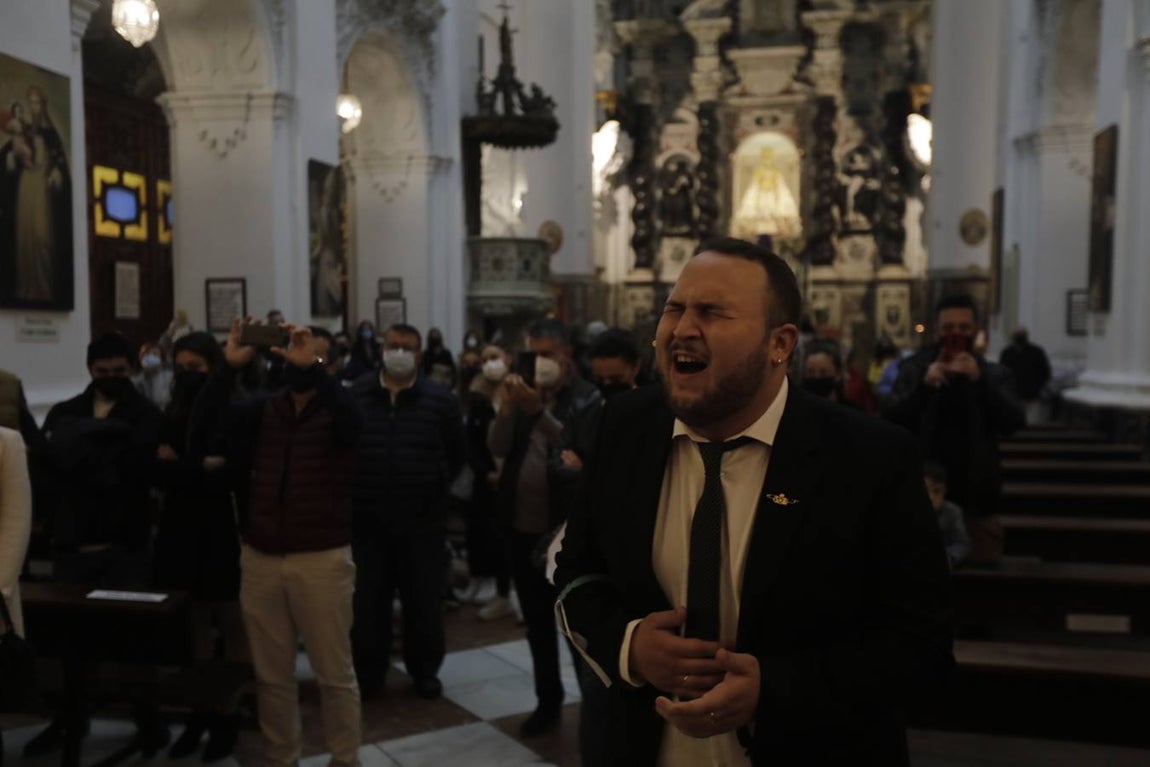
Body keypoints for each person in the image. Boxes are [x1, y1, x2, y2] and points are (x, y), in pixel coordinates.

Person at [554, 237, 952, 766]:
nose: (683, 328)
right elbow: (577, 574)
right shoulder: (624, 426)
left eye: (712, 312)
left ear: (779, 343)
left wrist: (774, 688)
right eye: (675, 308)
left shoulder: (869, 458)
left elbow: (921, 650)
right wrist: (629, 646)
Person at [200, 319, 361, 767]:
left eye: (310, 353)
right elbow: (207, 423)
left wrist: (318, 368)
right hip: (262, 557)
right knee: (272, 677)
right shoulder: (262, 410)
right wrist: (227, 367)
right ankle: (281, 759)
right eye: (292, 350)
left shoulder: (339, 409)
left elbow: (351, 422)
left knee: (334, 674)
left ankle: (345, 760)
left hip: (321, 559)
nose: (299, 358)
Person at [26, 332, 166, 758]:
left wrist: (84, 444)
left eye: (119, 373)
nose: (110, 379)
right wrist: (104, 441)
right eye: (103, 373)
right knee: (69, 644)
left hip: (125, 541)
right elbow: (54, 463)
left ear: (132, 370)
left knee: (135, 641)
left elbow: (134, 467)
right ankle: (70, 718)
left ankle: (149, 722)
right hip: (74, 540)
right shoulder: (66, 410)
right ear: (90, 371)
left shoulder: (145, 412)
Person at [489, 318, 601, 737]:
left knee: (578, 628)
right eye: (532, 353)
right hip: (522, 526)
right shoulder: (520, 394)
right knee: (536, 623)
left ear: (566, 356)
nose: (539, 362)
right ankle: (547, 700)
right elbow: (497, 447)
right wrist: (506, 408)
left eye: (547, 354)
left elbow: (578, 451)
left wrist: (539, 412)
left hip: (566, 532)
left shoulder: (586, 397)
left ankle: (593, 709)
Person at [349, 323, 464, 700]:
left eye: (407, 347)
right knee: (369, 603)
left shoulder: (439, 399)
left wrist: (434, 489)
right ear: (382, 349)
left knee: (423, 602)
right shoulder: (359, 394)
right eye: (392, 345)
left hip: (422, 522)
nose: (399, 352)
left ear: (419, 355)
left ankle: (425, 671)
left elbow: (455, 453)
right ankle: (369, 672)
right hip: (367, 520)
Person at [151, 332, 246, 761]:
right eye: (182, 367)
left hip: (221, 524)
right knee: (194, 628)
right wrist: (196, 466)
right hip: (179, 526)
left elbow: (230, 472)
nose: (188, 375)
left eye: (197, 367)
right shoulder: (171, 411)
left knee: (230, 621)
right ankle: (198, 713)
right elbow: (159, 470)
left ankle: (228, 714)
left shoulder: (233, 407)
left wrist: (182, 466)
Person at [885, 294, 1025, 565]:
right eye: (949, 328)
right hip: (920, 499)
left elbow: (1014, 422)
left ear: (975, 329)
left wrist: (979, 381)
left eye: (963, 328)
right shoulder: (914, 368)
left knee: (982, 583)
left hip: (978, 499)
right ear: (937, 330)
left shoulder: (994, 374)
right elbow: (890, 420)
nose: (956, 334)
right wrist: (924, 388)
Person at [0, 86, 72, 306]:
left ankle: (45, 288)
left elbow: (59, 161)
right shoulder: (25, 131)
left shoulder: (51, 134)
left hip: (41, 191)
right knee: (24, 239)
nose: (33, 107)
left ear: (43, 105)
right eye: (30, 102)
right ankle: (26, 288)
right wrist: (11, 156)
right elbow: (10, 153)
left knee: (42, 237)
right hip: (25, 188)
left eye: (37, 103)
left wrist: (58, 171)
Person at [462, 344, 515, 621]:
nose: (490, 363)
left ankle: (509, 592)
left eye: (495, 358)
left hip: (515, 479)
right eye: (485, 360)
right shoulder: (479, 396)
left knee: (511, 537)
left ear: (507, 359)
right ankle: (492, 586)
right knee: (486, 532)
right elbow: (471, 442)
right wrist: (485, 472)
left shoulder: (520, 391)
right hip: (488, 478)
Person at [999, 327, 1052, 423]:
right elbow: (1002, 373)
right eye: (1018, 335)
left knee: (1032, 423)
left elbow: (1045, 372)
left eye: (1021, 335)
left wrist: (1039, 386)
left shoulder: (1036, 352)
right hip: (1013, 396)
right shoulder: (1007, 353)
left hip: (1032, 396)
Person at [923, 462, 971, 567]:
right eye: (925, 491)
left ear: (945, 491)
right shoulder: (910, 513)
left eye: (936, 491)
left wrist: (949, 557)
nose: (931, 497)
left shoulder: (952, 512)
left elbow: (961, 544)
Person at [799, 339, 848, 403]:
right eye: (811, 372)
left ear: (838, 374)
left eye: (823, 372)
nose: (817, 377)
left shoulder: (851, 411)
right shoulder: (795, 408)